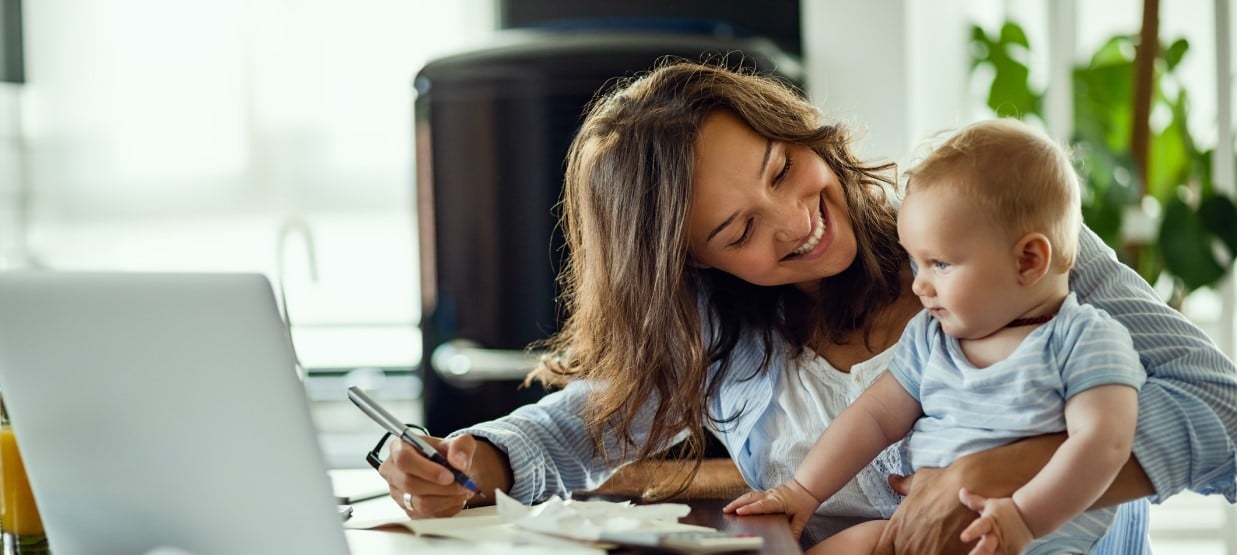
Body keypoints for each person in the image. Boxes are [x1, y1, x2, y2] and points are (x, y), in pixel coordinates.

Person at [377, 60, 1237, 553]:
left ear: (795, 127)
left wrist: (991, 474)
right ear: (690, 263)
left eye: (782, 168)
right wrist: (466, 460)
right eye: (739, 226)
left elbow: (1226, 415)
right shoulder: (721, 329)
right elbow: (574, 427)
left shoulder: (989, 232)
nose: (795, 221)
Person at [723, 118, 1143, 554]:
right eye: (916, 262)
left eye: (939, 264)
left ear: (1028, 261)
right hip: (918, 534)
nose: (919, 285)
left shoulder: (1085, 341)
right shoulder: (933, 338)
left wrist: (1023, 516)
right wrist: (803, 491)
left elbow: (1105, 444)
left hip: (1029, 541)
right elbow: (874, 418)